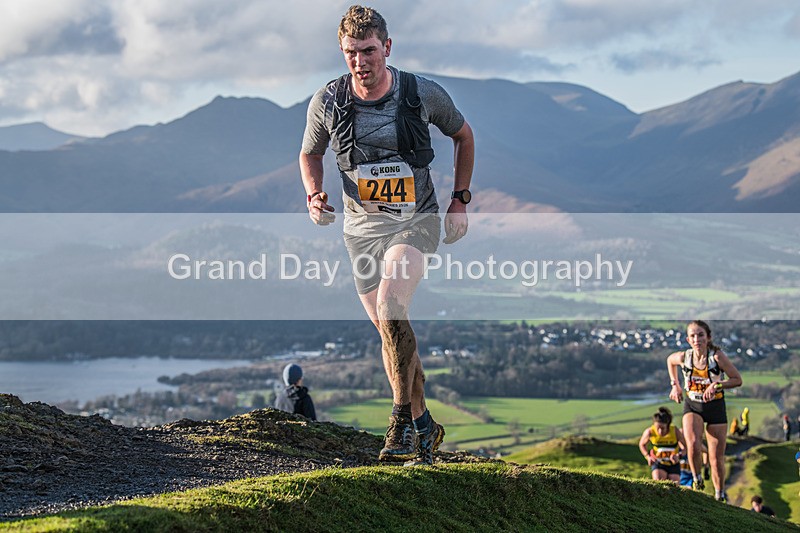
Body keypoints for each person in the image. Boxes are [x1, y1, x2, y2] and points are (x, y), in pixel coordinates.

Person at [300, 5, 474, 466]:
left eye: (369, 51)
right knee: (390, 333)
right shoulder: (327, 101)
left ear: (387, 48)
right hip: (360, 231)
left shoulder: (420, 93)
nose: (361, 61)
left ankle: (398, 421)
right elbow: (309, 154)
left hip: (415, 221)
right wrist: (314, 194)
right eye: (352, 53)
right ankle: (424, 425)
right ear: (343, 52)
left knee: (391, 306)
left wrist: (460, 200)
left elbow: (464, 135)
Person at [667, 320, 743, 502]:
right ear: (687, 339)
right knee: (692, 443)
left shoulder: (716, 357)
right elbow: (670, 360)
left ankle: (719, 494)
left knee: (716, 458)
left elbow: (737, 379)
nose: (696, 339)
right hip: (693, 405)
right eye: (692, 335)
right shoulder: (685, 357)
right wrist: (675, 385)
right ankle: (697, 479)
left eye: (700, 335)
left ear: (708, 337)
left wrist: (717, 385)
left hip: (715, 407)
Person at [638, 407, 686, 484]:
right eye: (657, 428)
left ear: (668, 425)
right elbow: (642, 444)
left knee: (675, 488)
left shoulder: (674, 430)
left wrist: (679, 456)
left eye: (662, 428)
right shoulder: (650, 431)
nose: (660, 431)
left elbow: (685, 447)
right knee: (659, 484)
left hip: (673, 463)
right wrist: (648, 457)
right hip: (658, 462)